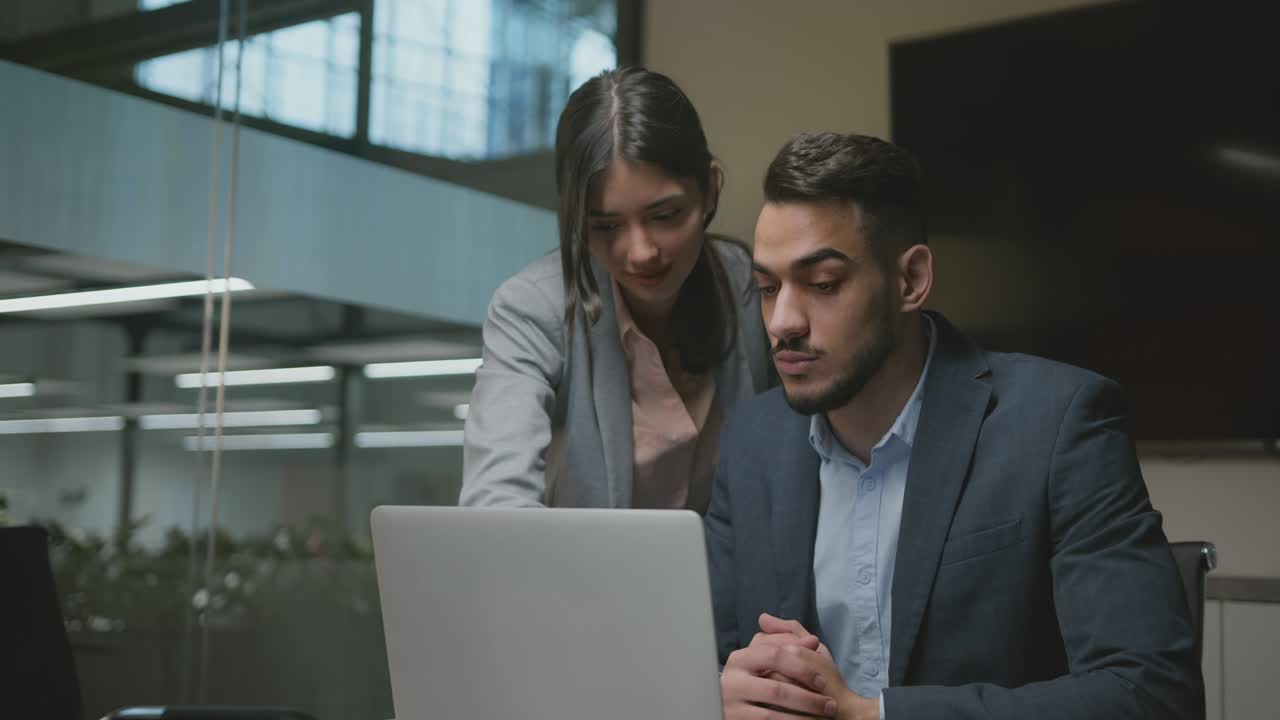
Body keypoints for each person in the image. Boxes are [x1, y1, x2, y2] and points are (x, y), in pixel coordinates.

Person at [708, 132, 1201, 720]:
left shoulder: (1060, 422)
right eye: (768, 288)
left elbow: (1149, 692)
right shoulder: (752, 440)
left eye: (822, 284)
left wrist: (871, 715)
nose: (782, 321)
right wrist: (722, 690)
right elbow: (705, 657)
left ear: (911, 280)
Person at [459, 67, 770, 510]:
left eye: (665, 216)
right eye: (605, 226)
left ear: (710, 190)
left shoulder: (750, 286)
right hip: (585, 578)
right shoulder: (534, 307)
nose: (640, 252)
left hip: (726, 578)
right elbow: (495, 497)